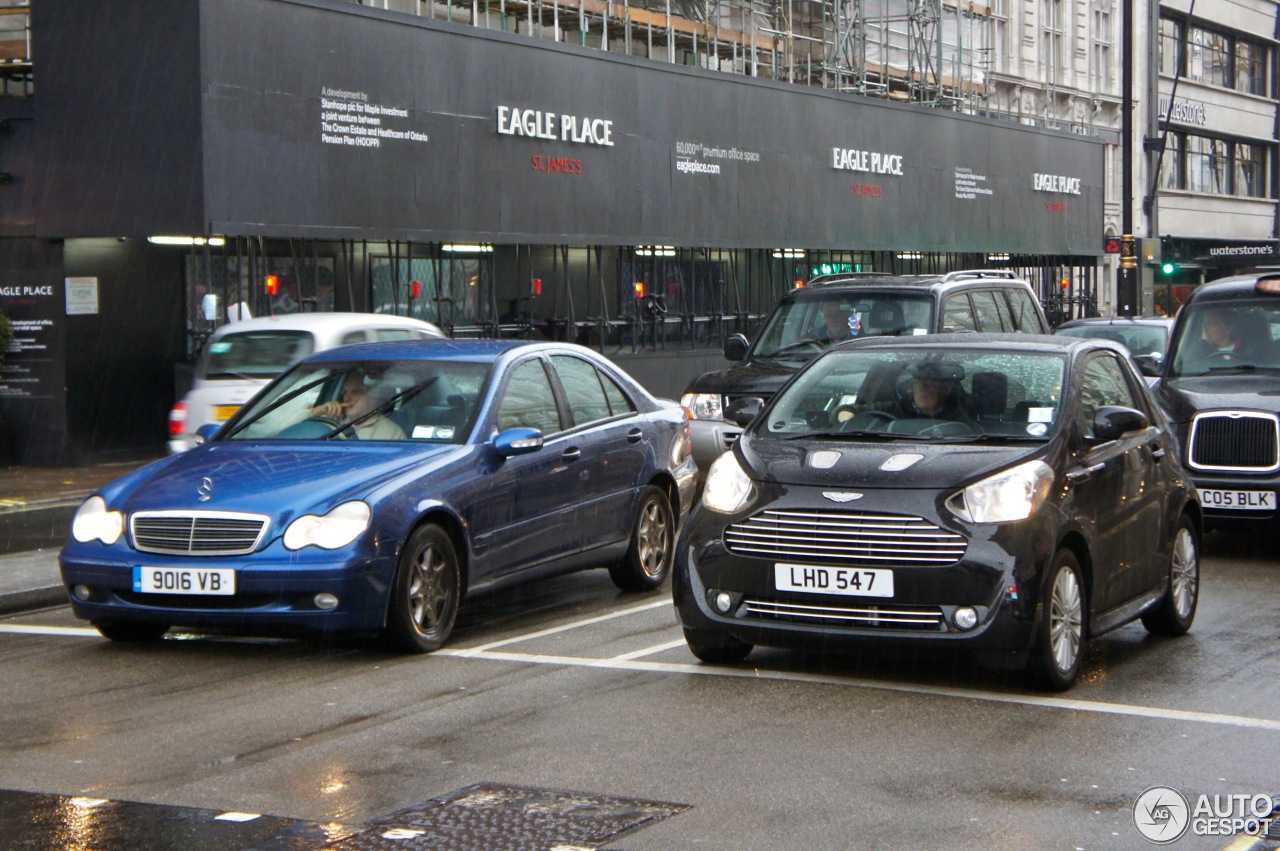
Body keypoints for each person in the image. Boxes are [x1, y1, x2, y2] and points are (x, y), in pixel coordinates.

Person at [310, 371, 406, 440]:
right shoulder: (330, 422)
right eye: (345, 392)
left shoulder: (391, 433)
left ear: (372, 397)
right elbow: (296, 427)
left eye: (355, 392)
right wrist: (315, 412)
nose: (347, 397)